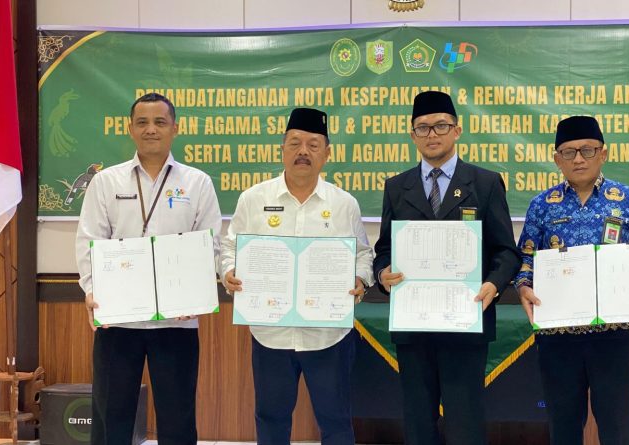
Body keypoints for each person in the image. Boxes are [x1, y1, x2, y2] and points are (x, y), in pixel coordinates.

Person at [372, 91, 522, 445]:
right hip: (414, 325)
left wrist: (493, 284)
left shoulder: (485, 183)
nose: (432, 134)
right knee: (417, 422)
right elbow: (384, 250)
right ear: (412, 135)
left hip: (466, 320)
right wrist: (383, 274)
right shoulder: (397, 187)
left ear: (457, 130)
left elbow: (506, 251)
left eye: (441, 126)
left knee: (465, 422)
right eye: (423, 128)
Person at [514, 115, 629, 445]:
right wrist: (523, 286)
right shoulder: (542, 205)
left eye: (587, 150)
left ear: (603, 153)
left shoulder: (628, 199)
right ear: (557, 158)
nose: (578, 159)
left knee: (617, 431)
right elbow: (525, 258)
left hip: (616, 337)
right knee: (563, 429)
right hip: (558, 337)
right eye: (568, 152)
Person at [220, 107, 374, 445]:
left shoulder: (344, 203)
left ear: (327, 153)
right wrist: (228, 270)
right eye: (295, 143)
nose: (303, 151)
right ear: (282, 149)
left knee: (336, 421)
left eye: (313, 145)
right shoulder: (254, 199)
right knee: (271, 419)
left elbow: (363, 254)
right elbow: (229, 247)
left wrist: (361, 279)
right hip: (271, 334)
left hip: (328, 336)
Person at [75, 92, 222, 445]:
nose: (151, 129)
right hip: (117, 320)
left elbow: (211, 244)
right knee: (111, 416)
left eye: (159, 122)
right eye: (142, 122)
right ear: (130, 129)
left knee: (178, 417)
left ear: (175, 128)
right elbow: (89, 241)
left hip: (177, 320)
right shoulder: (106, 182)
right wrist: (93, 291)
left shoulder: (197, 182)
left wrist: (196, 294)